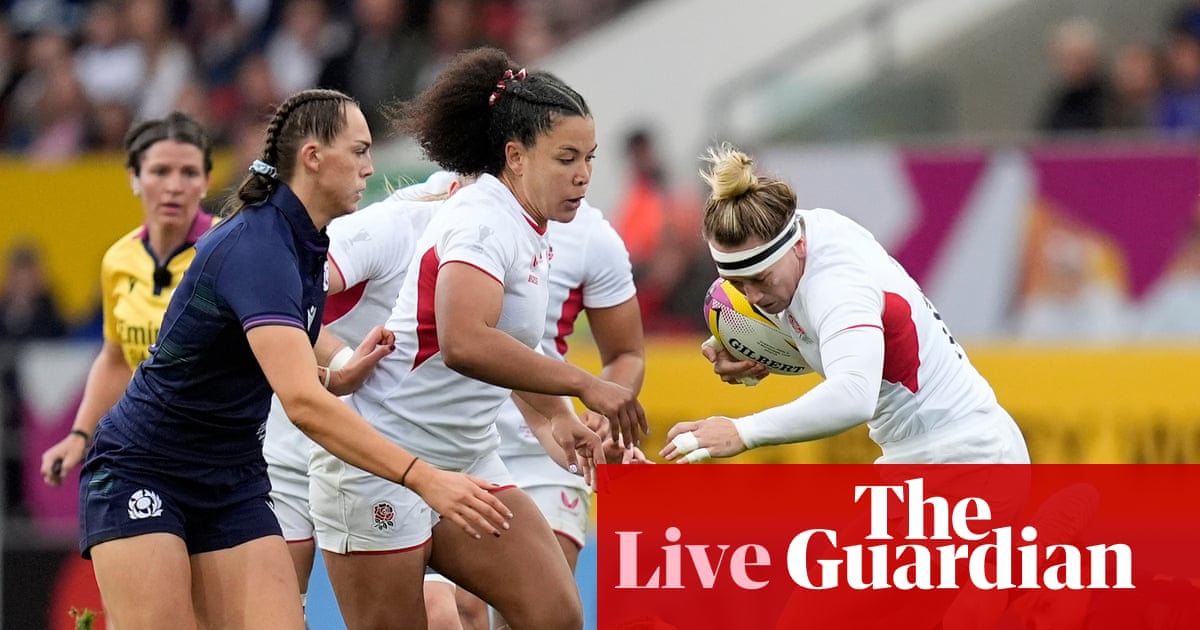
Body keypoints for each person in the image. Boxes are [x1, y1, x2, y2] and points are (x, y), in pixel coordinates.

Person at [73, 88, 512, 630]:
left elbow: (264, 355)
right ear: (312, 157)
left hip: (233, 477)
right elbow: (300, 405)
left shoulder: (307, 241)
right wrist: (422, 476)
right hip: (145, 468)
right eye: (359, 151)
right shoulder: (257, 248)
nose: (370, 167)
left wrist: (332, 374)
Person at [308, 47, 644, 630]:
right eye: (566, 158)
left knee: (555, 614)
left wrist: (556, 417)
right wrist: (584, 385)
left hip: (466, 456)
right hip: (380, 459)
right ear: (515, 156)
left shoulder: (531, 222)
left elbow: (508, 345)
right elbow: (465, 341)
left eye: (589, 157)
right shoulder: (482, 221)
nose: (584, 175)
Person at [661, 144, 1029, 467]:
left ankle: (1051, 524)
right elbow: (820, 328)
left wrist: (743, 431)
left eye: (761, 280)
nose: (753, 297)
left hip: (963, 456)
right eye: (739, 284)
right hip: (935, 451)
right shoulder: (802, 232)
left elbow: (854, 395)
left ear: (797, 247)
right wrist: (746, 340)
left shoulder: (838, 286)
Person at [262, 169, 461, 616]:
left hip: (381, 458)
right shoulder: (390, 226)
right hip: (293, 452)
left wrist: (559, 416)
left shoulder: (510, 237)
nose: (368, 167)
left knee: (443, 614)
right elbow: (276, 297)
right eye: (357, 152)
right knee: (278, 616)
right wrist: (340, 363)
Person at [40, 111, 216, 487]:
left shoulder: (229, 250)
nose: (174, 186)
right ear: (134, 178)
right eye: (159, 171)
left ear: (207, 182)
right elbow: (117, 358)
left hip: (221, 454)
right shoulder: (118, 260)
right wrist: (79, 435)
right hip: (147, 451)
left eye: (189, 173)